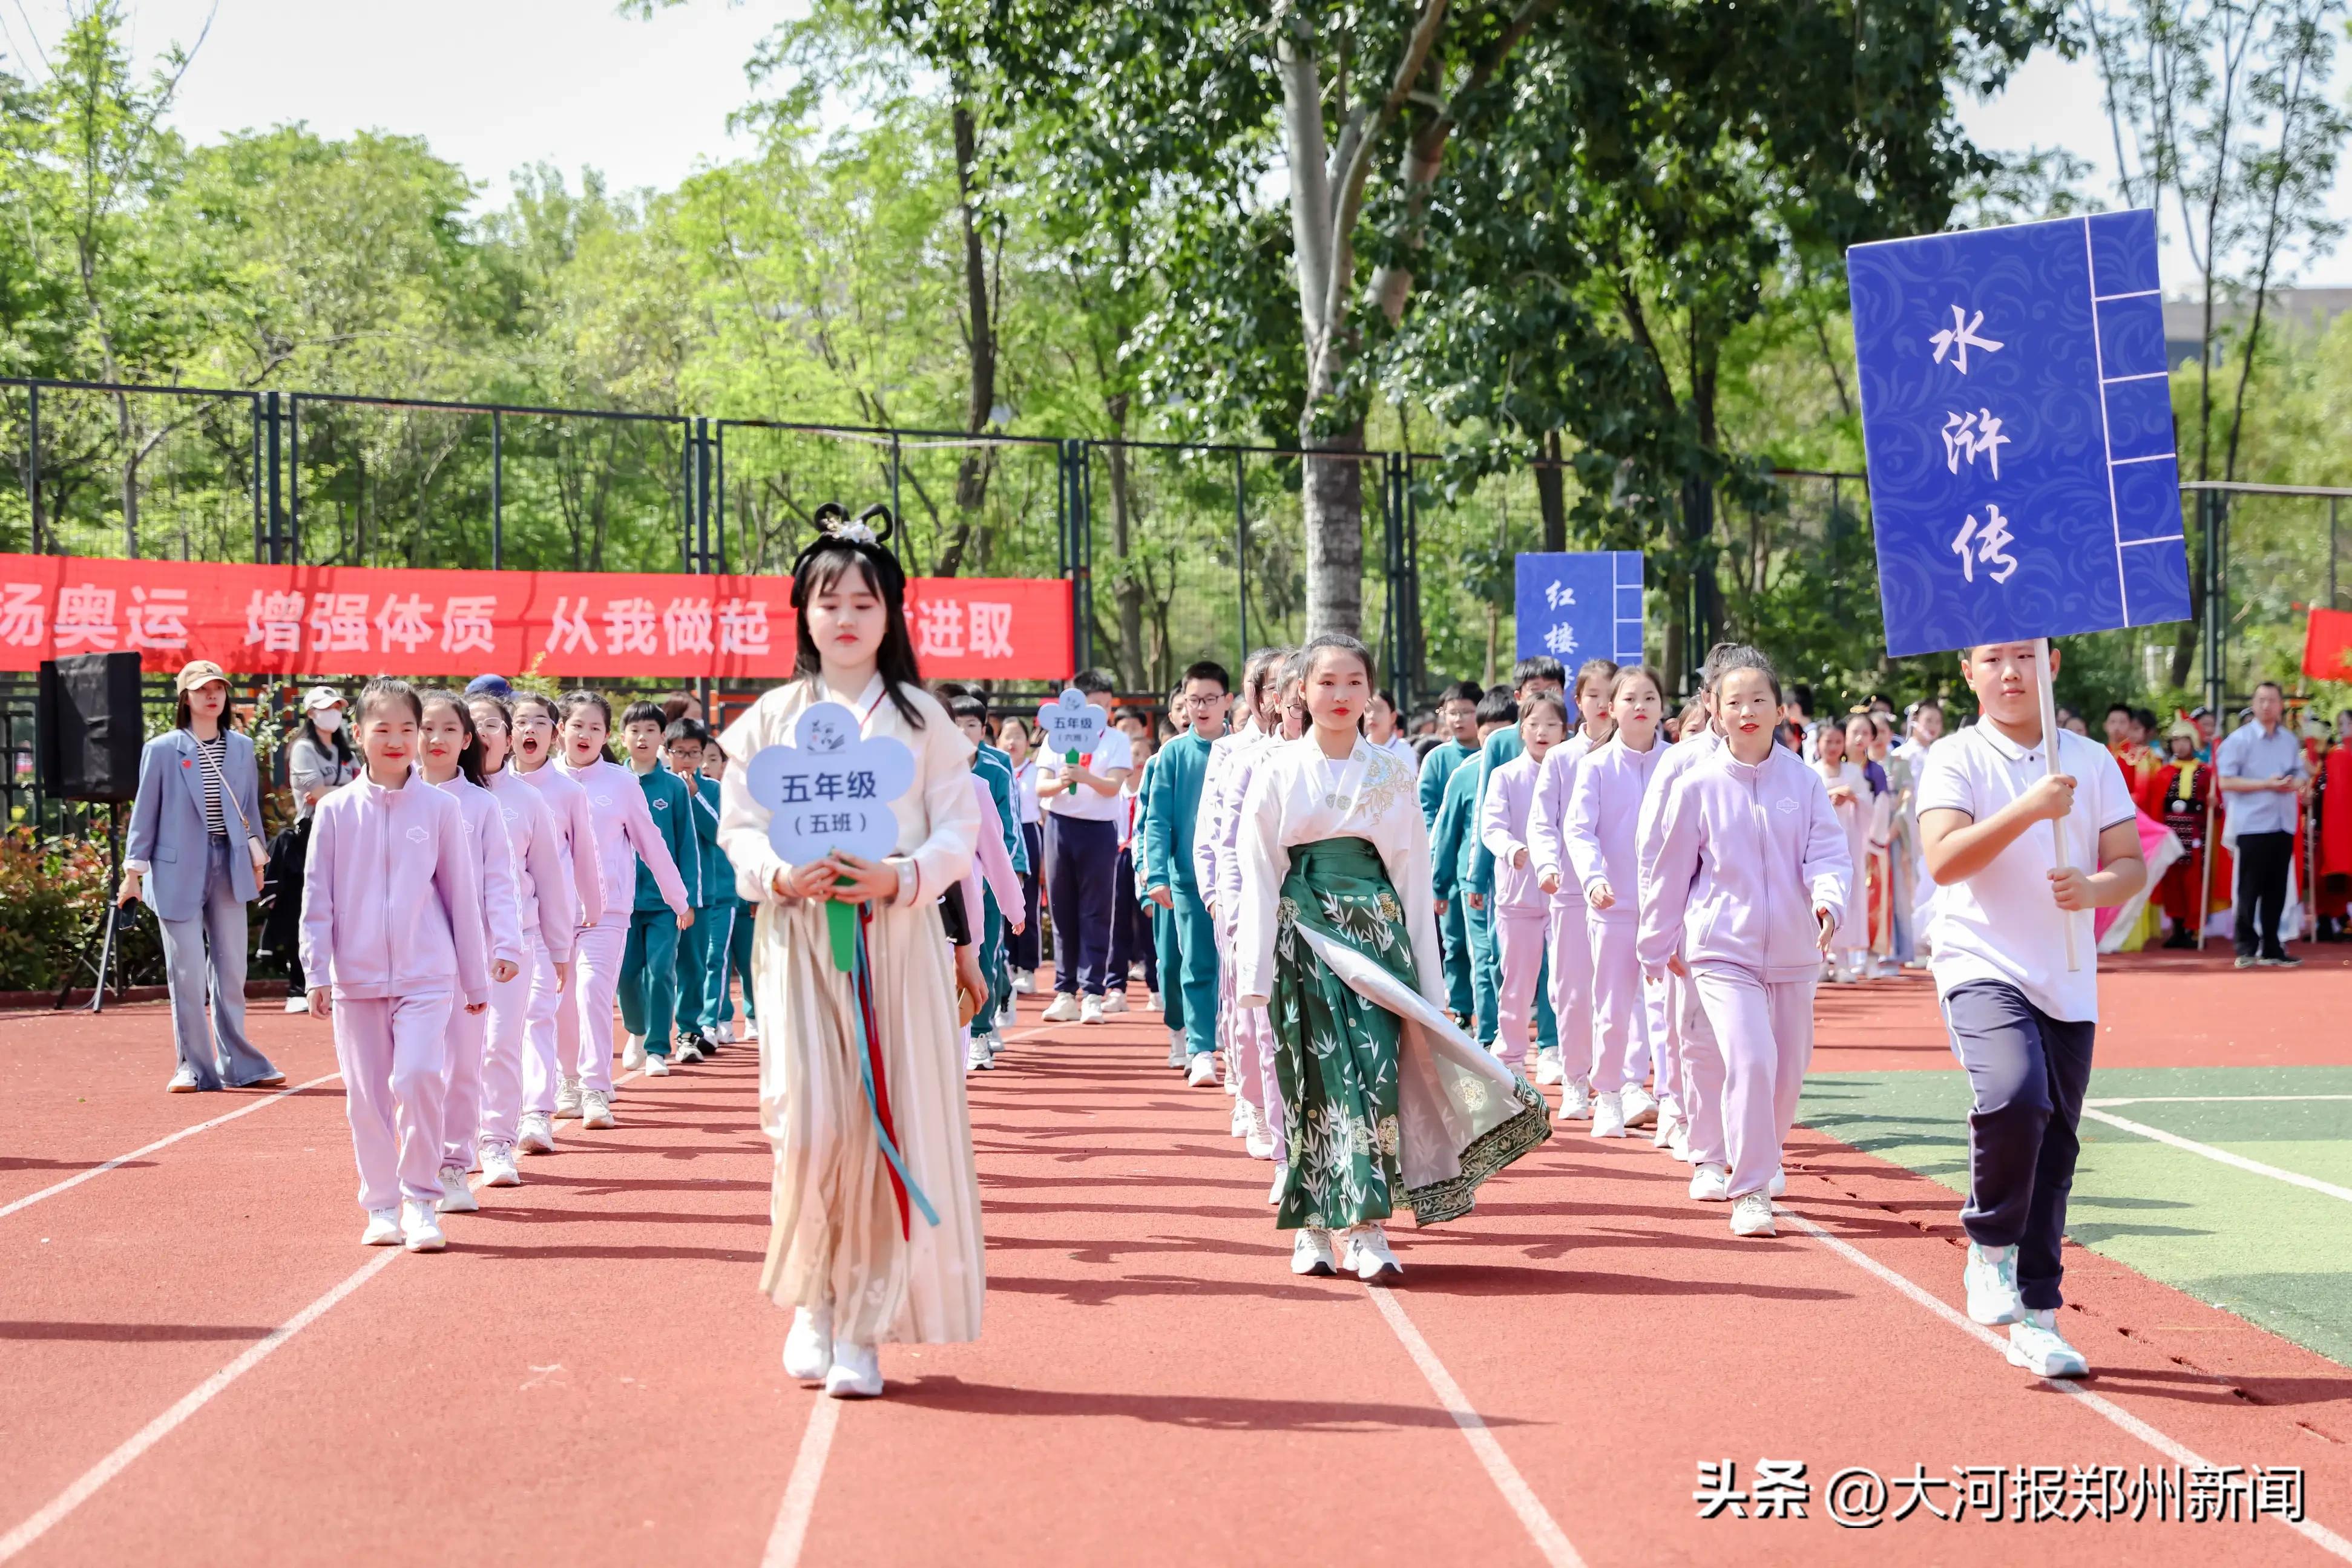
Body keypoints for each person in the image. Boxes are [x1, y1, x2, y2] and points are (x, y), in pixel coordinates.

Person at [715, 504, 984, 1402]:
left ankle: (861, 1325)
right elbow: (738, 830)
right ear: (802, 612)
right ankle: (812, 1301)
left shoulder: (922, 719)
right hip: (797, 944)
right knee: (811, 1125)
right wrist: (780, 875)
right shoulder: (768, 719)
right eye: (827, 601)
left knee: (879, 1129)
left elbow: (958, 826)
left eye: (863, 602)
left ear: (890, 614)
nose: (844, 618)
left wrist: (902, 875)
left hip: (895, 947)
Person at [1234, 633, 1551, 1279]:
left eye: (1354, 682)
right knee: (1314, 1081)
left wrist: (1429, 983)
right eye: (1326, 682)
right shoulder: (1276, 769)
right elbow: (1259, 870)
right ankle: (1314, 1227)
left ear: (1370, 692)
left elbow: (1410, 873)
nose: (1340, 695)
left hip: (1378, 940)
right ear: (1301, 691)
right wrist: (1253, 968)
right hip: (1306, 936)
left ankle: (1369, 1227)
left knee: (1375, 1078)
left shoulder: (1391, 769)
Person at [1916, 640, 2146, 1379]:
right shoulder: (1954, 757)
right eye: (1992, 659)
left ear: (2050, 666)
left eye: (2025, 656)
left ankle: (2039, 1317)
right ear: (1968, 671)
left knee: (2057, 1149)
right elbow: (1945, 860)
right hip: (1980, 961)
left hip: (2068, 975)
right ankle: (1988, 1246)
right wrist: (2029, 807)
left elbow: (2129, 865)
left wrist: (2094, 886)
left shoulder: (2090, 757)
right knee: (2015, 1093)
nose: (2009, 672)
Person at [1640, 646, 1848, 1238]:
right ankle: (1750, 1187)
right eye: (1735, 700)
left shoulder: (1803, 783)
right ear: (1714, 709)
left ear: (1780, 709)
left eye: (1760, 698)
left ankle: (1763, 1151)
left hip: (1794, 950)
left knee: (1786, 1072)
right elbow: (1670, 869)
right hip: (1720, 949)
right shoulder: (1697, 784)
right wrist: (1654, 945)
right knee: (1750, 1060)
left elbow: (1828, 854)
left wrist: (1828, 900)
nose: (1748, 709)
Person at [301, 678, 491, 1253]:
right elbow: (318, 898)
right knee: (367, 1098)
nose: (396, 739)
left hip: (426, 974)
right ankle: (381, 1205)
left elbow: (461, 894)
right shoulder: (335, 812)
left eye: (406, 728)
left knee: (418, 1077)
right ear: (357, 734)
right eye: (381, 728)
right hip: (357, 979)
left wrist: (474, 978)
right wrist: (317, 971)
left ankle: (421, 1201)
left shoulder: (440, 807)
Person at [120, 660, 285, 1094]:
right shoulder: (162, 749)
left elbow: (248, 809)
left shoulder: (244, 747)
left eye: (218, 688)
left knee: (232, 968)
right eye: (201, 689)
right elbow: (144, 816)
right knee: (188, 970)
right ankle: (193, 1066)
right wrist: (133, 872)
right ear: (185, 697)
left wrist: (256, 855)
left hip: (230, 864)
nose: (212, 695)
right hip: (176, 869)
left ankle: (242, 1064)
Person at [555, 692, 691, 1124]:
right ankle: (567, 1080)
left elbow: (653, 844)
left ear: (606, 734)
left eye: (596, 728)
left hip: (608, 913)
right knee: (559, 1002)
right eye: (578, 725)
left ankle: (596, 1086)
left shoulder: (620, 783)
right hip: (553, 915)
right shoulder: (541, 783)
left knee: (593, 991)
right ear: (561, 729)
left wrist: (679, 898)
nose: (586, 735)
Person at [416, 691, 524, 1213]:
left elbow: (500, 883)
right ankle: (416, 1164)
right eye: (425, 728)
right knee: (413, 1069)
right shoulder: (389, 798)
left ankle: (453, 1163)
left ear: (467, 741)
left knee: (462, 1064)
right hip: (405, 959)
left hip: (466, 958)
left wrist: (506, 943)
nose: (435, 739)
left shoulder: (481, 805)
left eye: (447, 730)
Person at [468, 691, 575, 1190]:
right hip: (447, 943)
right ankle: (453, 1142)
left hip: (517, 940)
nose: (483, 732)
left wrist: (558, 948)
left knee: (501, 1042)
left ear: (509, 737)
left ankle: (496, 1141)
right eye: (473, 723)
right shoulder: (437, 793)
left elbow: (551, 879)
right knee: (451, 1050)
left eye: (493, 723)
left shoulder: (527, 799)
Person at [1565, 667, 1668, 1139]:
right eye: (1630, 698)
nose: (1641, 706)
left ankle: (1669, 1102)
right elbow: (1579, 829)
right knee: (1613, 1006)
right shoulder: (1596, 765)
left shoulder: (1678, 763)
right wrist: (1593, 879)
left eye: (1650, 697)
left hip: (1669, 908)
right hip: (1613, 905)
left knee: (1668, 1009)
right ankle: (1607, 1094)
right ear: (1613, 708)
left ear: (1663, 707)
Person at [507, 692, 606, 1149]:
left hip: (551, 924)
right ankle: (499, 1113)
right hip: (495, 926)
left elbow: (585, 857)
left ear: (554, 731)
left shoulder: (569, 792)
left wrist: (592, 907)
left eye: (540, 722)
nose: (530, 729)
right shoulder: (489, 788)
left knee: (539, 1013)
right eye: (521, 721)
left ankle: (536, 1113)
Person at [1525, 658, 1619, 1106]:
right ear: (1577, 700)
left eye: (1610, 695)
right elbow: (1543, 821)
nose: (1602, 704)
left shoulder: (1636, 756)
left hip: (1620, 894)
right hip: (1570, 892)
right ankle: (1578, 1077)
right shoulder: (1563, 757)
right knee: (1572, 988)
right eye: (1593, 695)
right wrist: (1547, 865)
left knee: (1620, 993)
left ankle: (1618, 1083)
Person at [1143, 661, 1230, 1082]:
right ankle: (1200, 1049)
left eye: (1210, 699)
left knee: (1237, 965)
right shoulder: (1173, 754)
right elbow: (1156, 819)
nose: (1201, 707)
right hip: (1188, 879)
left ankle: (1234, 1041)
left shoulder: (1247, 749)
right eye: (1194, 699)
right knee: (1192, 964)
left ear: (1228, 701)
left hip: (1238, 879)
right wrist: (1155, 873)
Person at [1038, 669, 1134, 1023]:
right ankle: (1064, 992)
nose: (1103, 713)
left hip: (1099, 831)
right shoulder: (1055, 739)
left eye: (1107, 707)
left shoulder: (1115, 740)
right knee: (1062, 910)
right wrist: (1063, 781)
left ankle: (1093, 991)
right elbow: (1040, 787)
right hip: (1060, 828)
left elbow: (1112, 787)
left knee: (1095, 911)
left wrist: (1084, 777)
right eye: (1095, 705)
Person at [611, 701, 701, 1074]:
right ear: (622, 737)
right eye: (634, 730)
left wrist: (687, 899)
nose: (642, 737)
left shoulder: (674, 788)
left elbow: (686, 845)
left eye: (650, 730)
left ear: (663, 737)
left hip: (664, 902)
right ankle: (636, 1030)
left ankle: (656, 1049)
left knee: (662, 969)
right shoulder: (612, 782)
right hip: (620, 900)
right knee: (626, 974)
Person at [271, 685, 359, 1014]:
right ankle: (299, 986)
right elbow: (315, 794)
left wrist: (335, 791)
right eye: (325, 707)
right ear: (310, 713)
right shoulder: (304, 748)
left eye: (337, 706)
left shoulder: (346, 750)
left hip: (349, 833)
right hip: (311, 833)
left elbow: (356, 787)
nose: (333, 712)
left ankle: (338, 982)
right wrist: (345, 790)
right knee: (307, 907)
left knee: (344, 907)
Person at [2215, 681, 2308, 968]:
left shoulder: (2289, 741)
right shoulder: (2239, 740)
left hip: (2283, 822)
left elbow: (2301, 773)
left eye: (2272, 700)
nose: (2267, 705)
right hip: (2252, 823)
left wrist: (2297, 783)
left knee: (2276, 888)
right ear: (2254, 705)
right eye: (2261, 700)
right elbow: (2226, 781)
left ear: (2281, 706)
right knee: (2248, 888)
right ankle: (2245, 947)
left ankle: (2272, 946)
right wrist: (2265, 784)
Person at [663, 718, 732, 1057]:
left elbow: (720, 833)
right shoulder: (658, 786)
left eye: (694, 753)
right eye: (680, 752)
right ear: (668, 752)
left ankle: (689, 1033)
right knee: (657, 966)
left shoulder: (714, 790)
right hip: (657, 893)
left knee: (693, 963)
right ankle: (652, 1036)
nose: (687, 759)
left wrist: (694, 797)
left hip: (700, 893)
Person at [1416, 679, 1484, 1022]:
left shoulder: (1496, 753)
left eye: (1467, 712)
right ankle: (1460, 1006)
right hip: (1450, 860)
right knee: (1455, 938)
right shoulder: (1437, 760)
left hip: (1487, 861)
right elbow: (1426, 811)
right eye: (1451, 713)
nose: (1458, 720)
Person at [701, 744, 760, 1042]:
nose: (705, 765)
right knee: (716, 958)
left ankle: (753, 1016)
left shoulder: (738, 798)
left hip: (745, 894)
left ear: (725, 764)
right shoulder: (692, 794)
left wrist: (756, 895)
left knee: (750, 960)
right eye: (702, 758)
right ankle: (721, 1018)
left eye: (713, 759)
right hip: (717, 896)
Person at [1815, 720, 1873, 983]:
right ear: (1818, 744)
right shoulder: (1811, 772)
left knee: (1848, 896)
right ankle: (1820, 959)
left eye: (1838, 742)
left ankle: (1845, 960)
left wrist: (1853, 798)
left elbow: (1868, 805)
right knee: (1819, 897)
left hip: (1848, 841)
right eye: (1829, 741)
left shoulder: (1853, 773)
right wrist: (1830, 796)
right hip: (1818, 844)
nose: (1834, 747)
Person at [998, 716, 1045, 995]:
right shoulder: (996, 770)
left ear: (1028, 742)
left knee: (1027, 904)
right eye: (1007, 735)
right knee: (1001, 902)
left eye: (1018, 736)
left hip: (1029, 834)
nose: (1012, 742)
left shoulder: (1036, 771)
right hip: (1001, 837)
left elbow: (1046, 814)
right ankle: (1006, 963)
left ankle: (1026, 967)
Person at [1365, 688, 1416, 763]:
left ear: (1393, 717)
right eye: (1367, 710)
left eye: (1379, 710)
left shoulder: (1404, 751)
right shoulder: (1356, 749)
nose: (1372, 715)